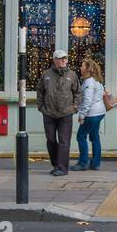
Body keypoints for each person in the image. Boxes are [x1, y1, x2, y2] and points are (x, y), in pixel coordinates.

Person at [36, 48, 79, 177]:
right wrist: (41, 107)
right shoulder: (46, 74)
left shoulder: (72, 75)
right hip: (49, 113)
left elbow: (78, 92)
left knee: (64, 141)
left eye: (65, 58)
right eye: (61, 58)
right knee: (50, 140)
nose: (64, 60)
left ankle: (62, 168)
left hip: (66, 113)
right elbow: (39, 91)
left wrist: (75, 107)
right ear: (55, 60)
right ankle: (55, 164)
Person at [72, 57, 107, 172]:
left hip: (92, 114)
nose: (80, 68)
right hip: (100, 112)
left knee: (81, 136)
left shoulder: (89, 82)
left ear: (88, 69)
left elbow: (87, 100)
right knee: (94, 137)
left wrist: (82, 115)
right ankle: (95, 163)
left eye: (82, 66)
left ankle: (83, 163)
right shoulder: (97, 81)